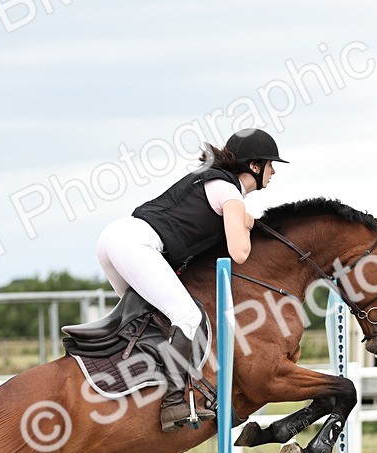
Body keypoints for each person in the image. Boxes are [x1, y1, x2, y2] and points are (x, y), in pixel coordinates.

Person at [96, 128, 288, 431]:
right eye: (270, 164)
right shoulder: (230, 193)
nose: (274, 171)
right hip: (136, 244)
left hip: (114, 239)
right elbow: (239, 252)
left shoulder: (210, 181)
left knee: (153, 319)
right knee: (186, 315)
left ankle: (140, 387)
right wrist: (245, 221)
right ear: (254, 166)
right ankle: (173, 403)